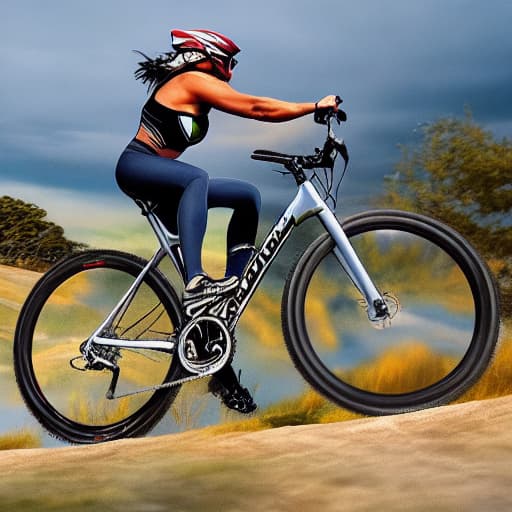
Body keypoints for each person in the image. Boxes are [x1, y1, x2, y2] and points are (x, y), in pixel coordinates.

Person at [116, 28, 339, 414]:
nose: (232, 73)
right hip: (138, 165)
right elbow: (257, 108)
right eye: (230, 63)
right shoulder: (191, 80)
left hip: (165, 178)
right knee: (197, 179)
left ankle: (225, 309)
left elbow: (250, 106)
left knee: (246, 196)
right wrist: (313, 107)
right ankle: (196, 284)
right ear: (208, 56)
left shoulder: (200, 85)